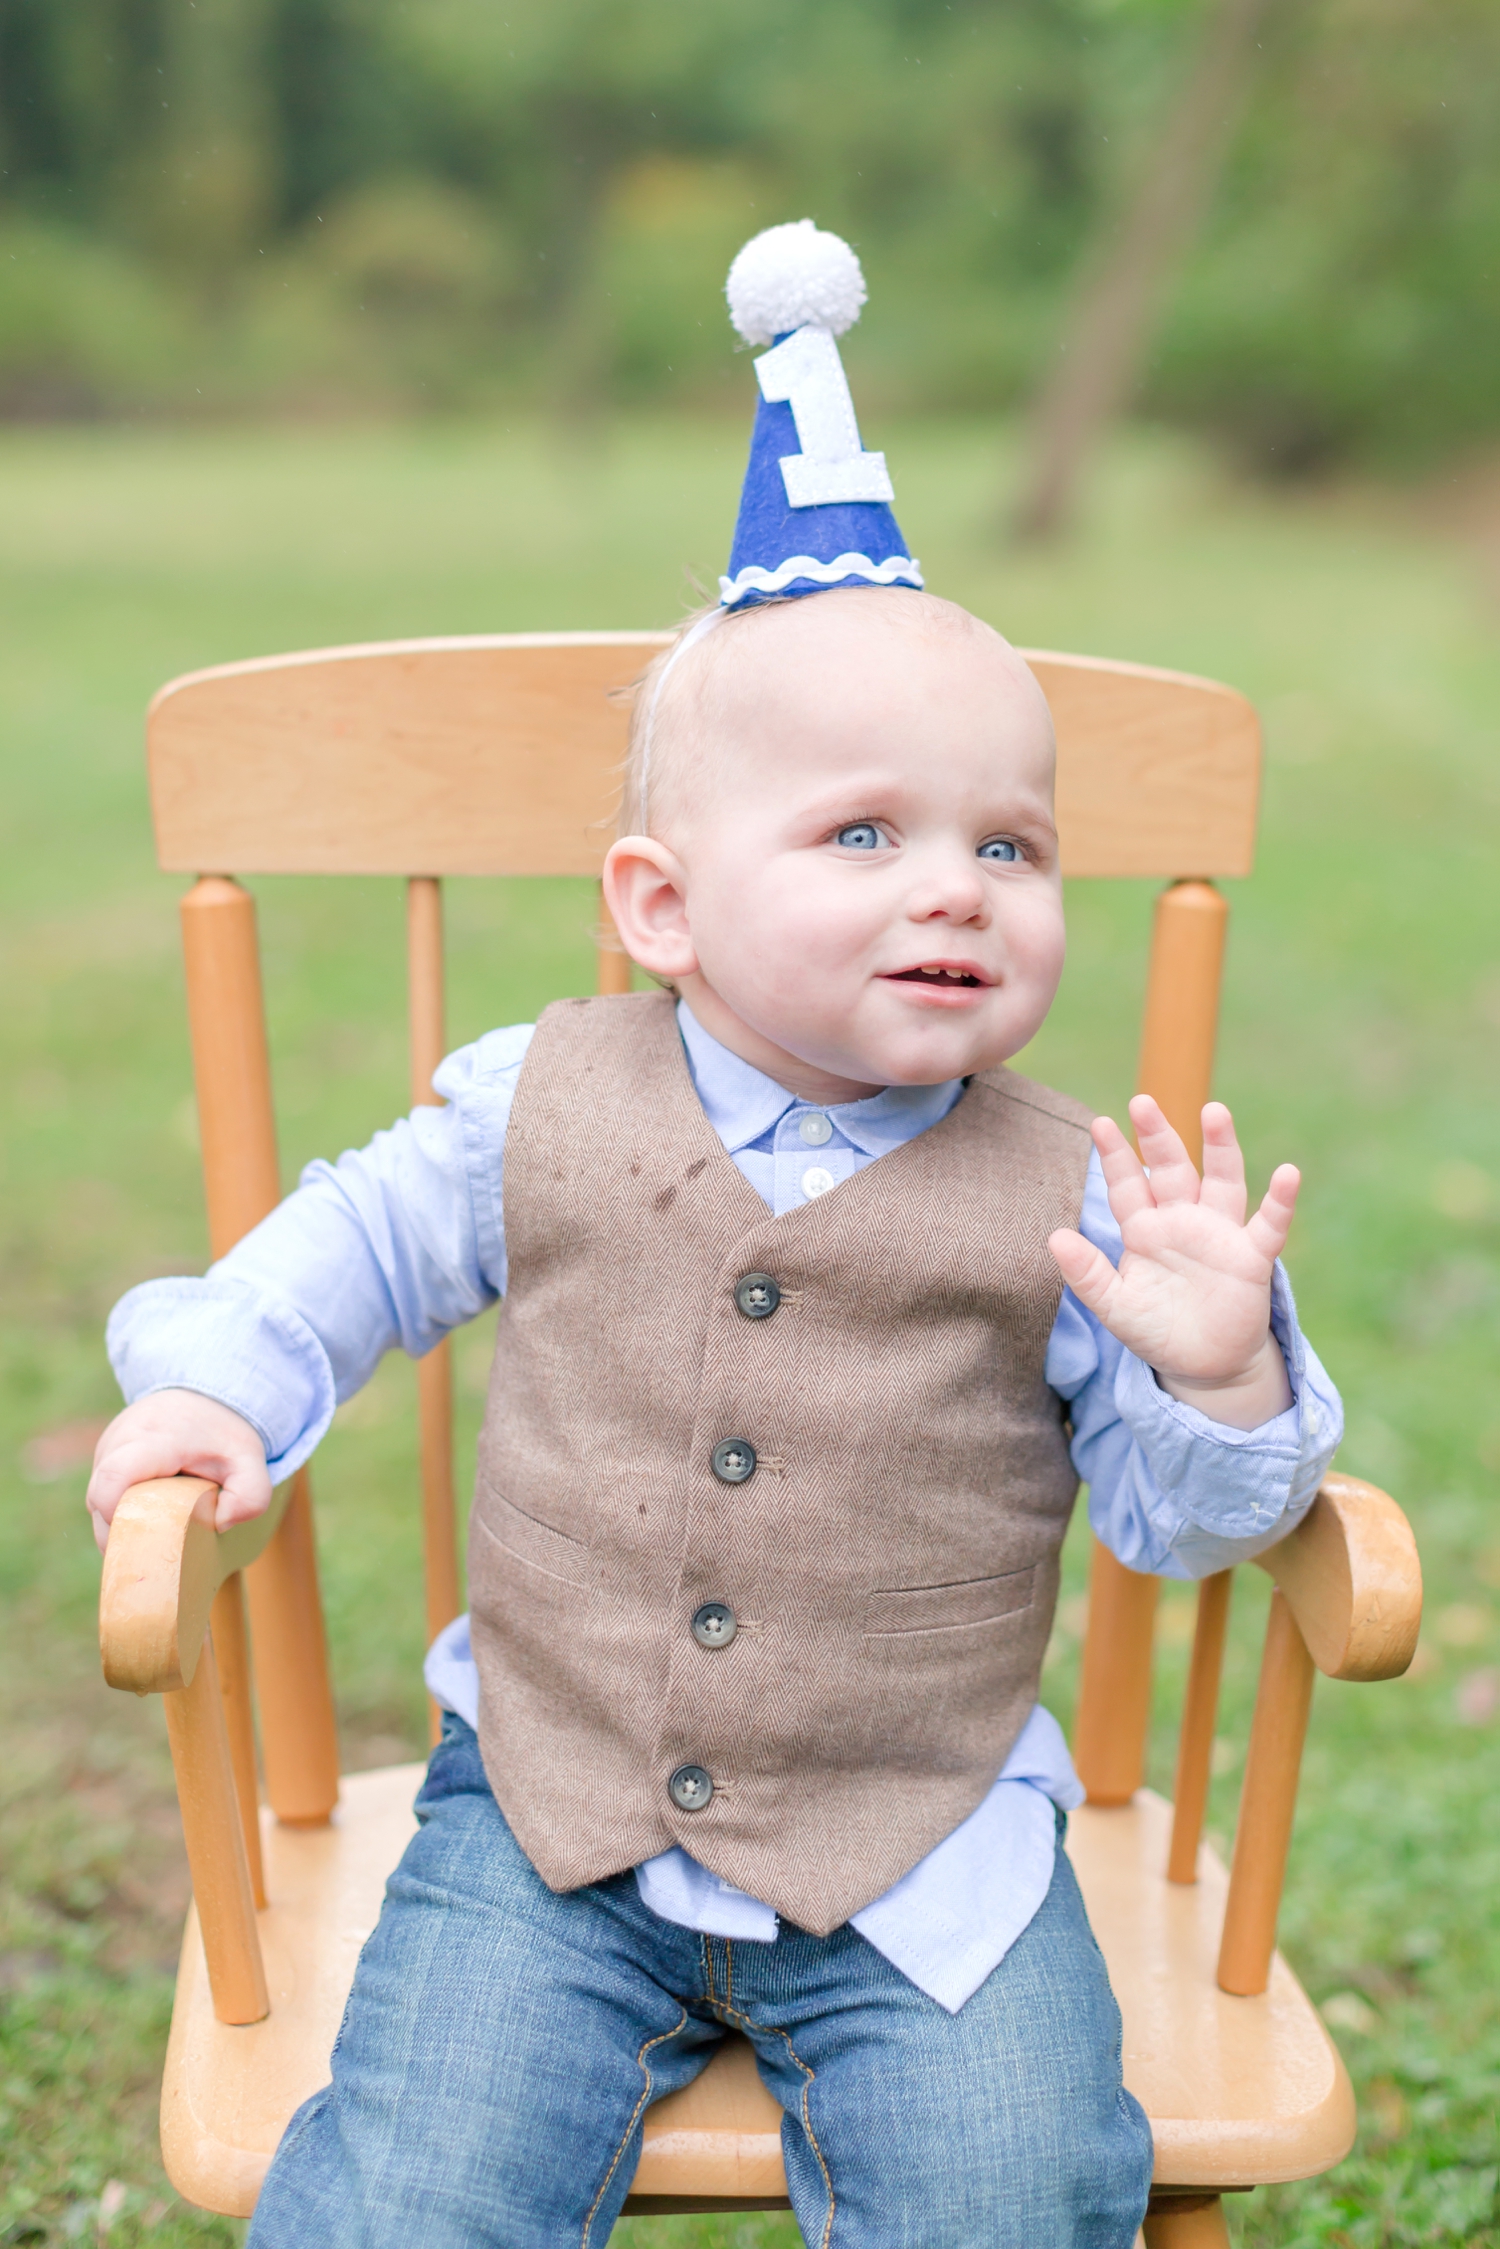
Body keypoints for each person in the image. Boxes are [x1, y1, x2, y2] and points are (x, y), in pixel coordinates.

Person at [87, 226, 1342, 2249]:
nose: (957, 888)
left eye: (1008, 844)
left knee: (1019, 2191)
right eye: (867, 834)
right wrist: (222, 1391)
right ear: (662, 907)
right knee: (408, 2196)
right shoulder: (543, 1102)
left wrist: (1219, 1370)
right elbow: (355, 1245)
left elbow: (1180, 1528)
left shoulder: (1078, 1201)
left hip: (925, 1848)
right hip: (546, 1830)